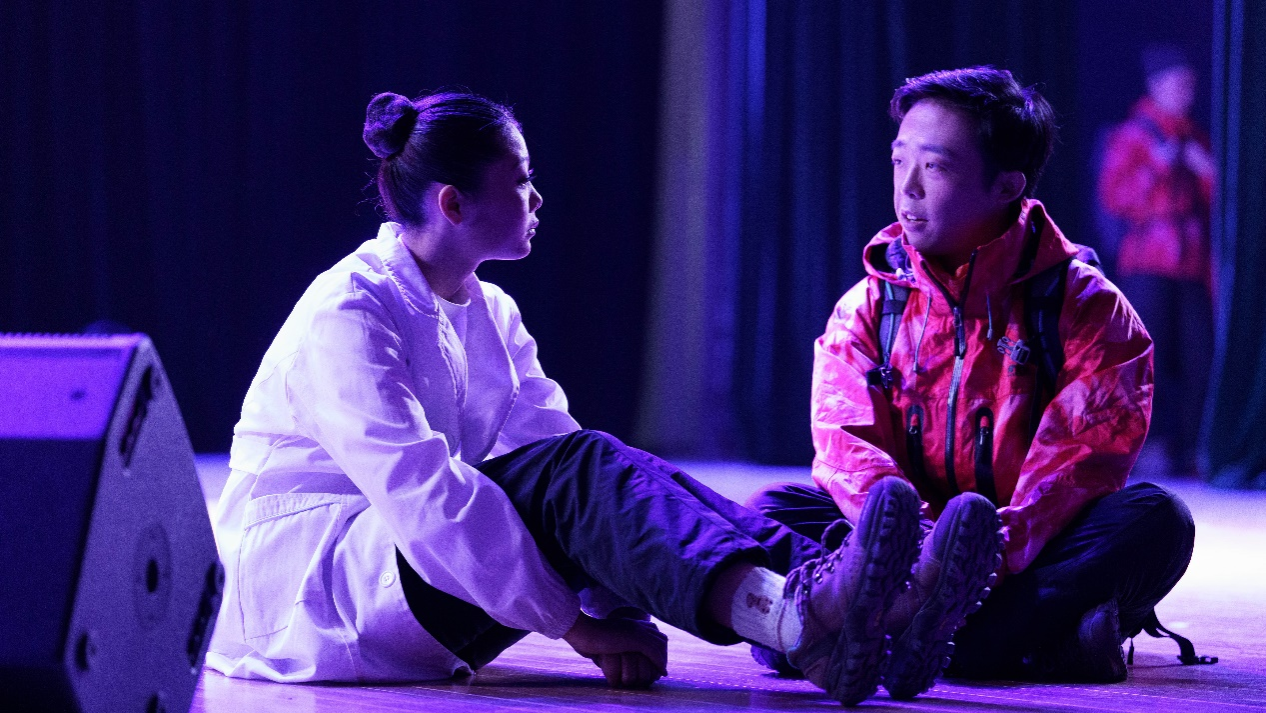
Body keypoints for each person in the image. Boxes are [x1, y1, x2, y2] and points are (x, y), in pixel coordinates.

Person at [203, 90, 976, 706]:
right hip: (318, 597)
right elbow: (423, 495)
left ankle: (869, 607)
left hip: (417, 574)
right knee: (579, 468)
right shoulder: (350, 308)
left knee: (610, 463)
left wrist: (618, 603)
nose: (537, 196)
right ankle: (801, 620)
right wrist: (577, 626)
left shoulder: (490, 309)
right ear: (453, 204)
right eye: (521, 180)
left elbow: (576, 474)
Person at [747, 67, 1196, 687]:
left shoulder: (1088, 309)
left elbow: (1076, 468)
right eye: (899, 160)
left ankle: (844, 633)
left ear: (1007, 186)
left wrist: (981, 555)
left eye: (934, 167)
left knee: (1157, 521)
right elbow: (845, 444)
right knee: (771, 512)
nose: (907, 187)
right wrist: (918, 552)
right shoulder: (870, 305)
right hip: (900, 556)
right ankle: (1008, 644)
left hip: (1017, 556)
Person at [1099, 44, 1215, 476]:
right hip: (1148, 262)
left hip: (1190, 263)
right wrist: (1158, 167)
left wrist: (1208, 172)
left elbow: (1218, 204)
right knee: (1149, 358)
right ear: (1156, 86)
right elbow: (1115, 197)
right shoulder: (1134, 135)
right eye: (1178, 84)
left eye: (1190, 85)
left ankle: (1191, 449)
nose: (1186, 92)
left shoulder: (1195, 137)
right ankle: (1149, 448)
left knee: (1199, 356)